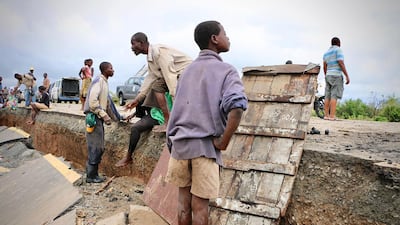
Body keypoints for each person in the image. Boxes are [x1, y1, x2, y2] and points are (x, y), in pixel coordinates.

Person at [165, 20, 248, 225]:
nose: (228, 38)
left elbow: (177, 109)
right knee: (200, 208)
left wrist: (172, 142)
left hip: (180, 147)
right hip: (204, 149)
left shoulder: (186, 73)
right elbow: (236, 108)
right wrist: (223, 142)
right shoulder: (227, 71)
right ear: (214, 39)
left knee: (183, 205)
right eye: (225, 33)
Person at [125, 32, 192, 132]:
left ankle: (172, 122)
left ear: (141, 43)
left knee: (159, 87)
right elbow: (150, 78)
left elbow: (170, 76)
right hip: (175, 74)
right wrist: (137, 99)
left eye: (133, 44)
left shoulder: (159, 52)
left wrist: (175, 97)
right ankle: (168, 121)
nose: (132, 47)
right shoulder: (150, 58)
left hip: (187, 72)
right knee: (156, 86)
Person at [84, 61, 124, 183]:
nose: (113, 70)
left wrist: (119, 117)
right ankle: (91, 176)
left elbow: (108, 104)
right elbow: (92, 102)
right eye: (111, 68)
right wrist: (104, 115)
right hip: (94, 119)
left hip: (97, 119)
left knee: (99, 147)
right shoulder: (99, 81)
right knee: (95, 147)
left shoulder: (104, 83)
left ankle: (93, 174)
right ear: (105, 70)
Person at [115, 92, 173, 167]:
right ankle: (128, 157)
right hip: (154, 115)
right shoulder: (156, 88)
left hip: (167, 117)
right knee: (135, 128)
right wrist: (133, 114)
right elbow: (146, 101)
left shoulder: (174, 89)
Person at [323, 37, 350, 120]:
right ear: (338, 43)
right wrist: (346, 75)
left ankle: (326, 116)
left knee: (327, 96)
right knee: (334, 95)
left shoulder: (326, 53)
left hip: (328, 75)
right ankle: (332, 116)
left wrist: (326, 75)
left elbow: (325, 66)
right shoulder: (338, 50)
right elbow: (341, 62)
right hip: (336, 75)